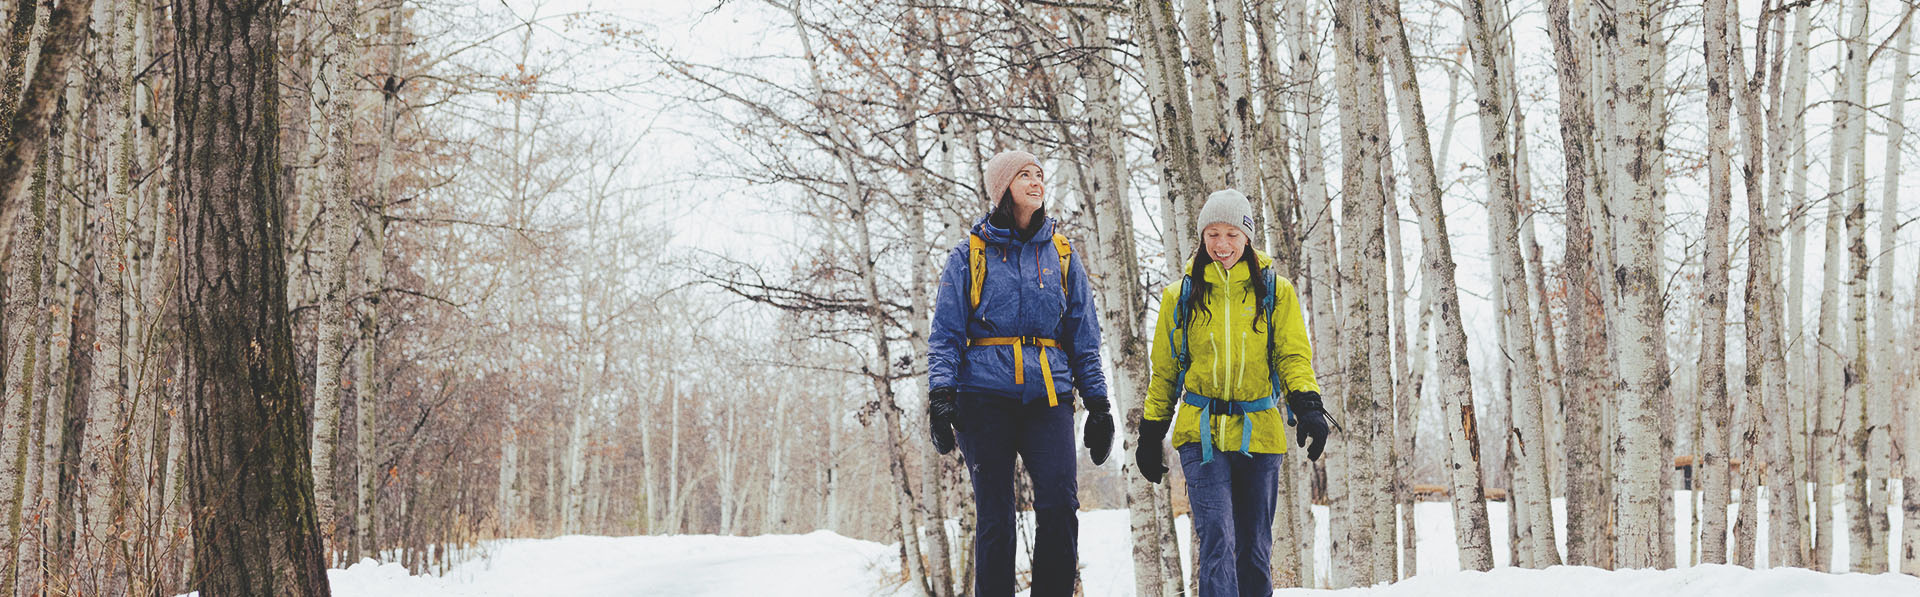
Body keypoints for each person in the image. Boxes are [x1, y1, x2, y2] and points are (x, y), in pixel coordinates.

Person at [925, 150, 1112, 597]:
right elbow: (946, 333)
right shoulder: (968, 254)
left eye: (1039, 175)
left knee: (1061, 507)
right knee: (995, 516)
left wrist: (1100, 404)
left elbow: (1084, 337)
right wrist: (940, 396)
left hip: (1048, 398)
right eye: (1024, 175)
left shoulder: (1062, 255)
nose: (1035, 181)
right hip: (983, 397)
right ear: (1001, 187)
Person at [1134, 189, 1332, 597]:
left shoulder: (1276, 292)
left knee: (1255, 549)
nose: (1221, 245)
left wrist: (1307, 404)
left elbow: (1292, 355)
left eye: (1231, 235)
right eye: (1212, 235)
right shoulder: (1180, 296)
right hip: (1200, 433)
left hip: (1259, 432)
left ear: (1247, 238)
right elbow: (1166, 372)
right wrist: (1151, 432)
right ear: (1202, 237)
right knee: (1217, 542)